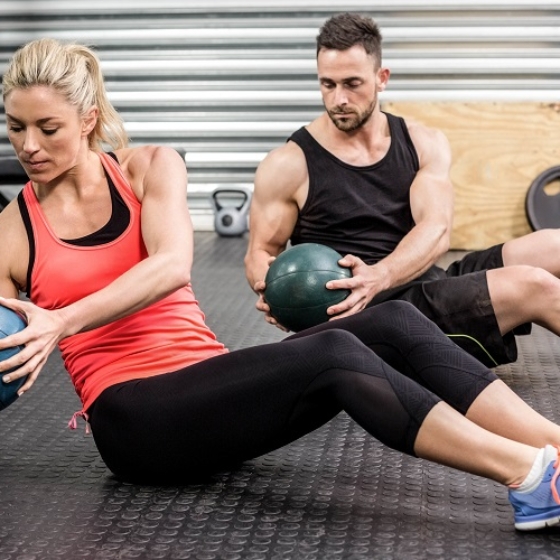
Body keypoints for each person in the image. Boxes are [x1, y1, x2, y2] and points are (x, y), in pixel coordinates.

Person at [2, 38, 560, 533]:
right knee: (334, 351)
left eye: (48, 128)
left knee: (392, 320)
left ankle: (553, 447)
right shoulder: (12, 230)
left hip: (210, 391)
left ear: (88, 119)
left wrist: (62, 319)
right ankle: (529, 475)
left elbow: (171, 265)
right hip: (132, 420)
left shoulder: (147, 168)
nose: (29, 146)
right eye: (15, 126)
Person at [244, 12, 560, 369]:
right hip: (373, 317)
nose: (339, 98)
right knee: (534, 285)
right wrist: (271, 287)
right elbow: (260, 251)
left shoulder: (422, 142)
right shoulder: (289, 163)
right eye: (328, 84)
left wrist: (380, 275)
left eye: (352, 83)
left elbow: (436, 229)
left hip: (422, 285)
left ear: (382, 78)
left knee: (554, 245)